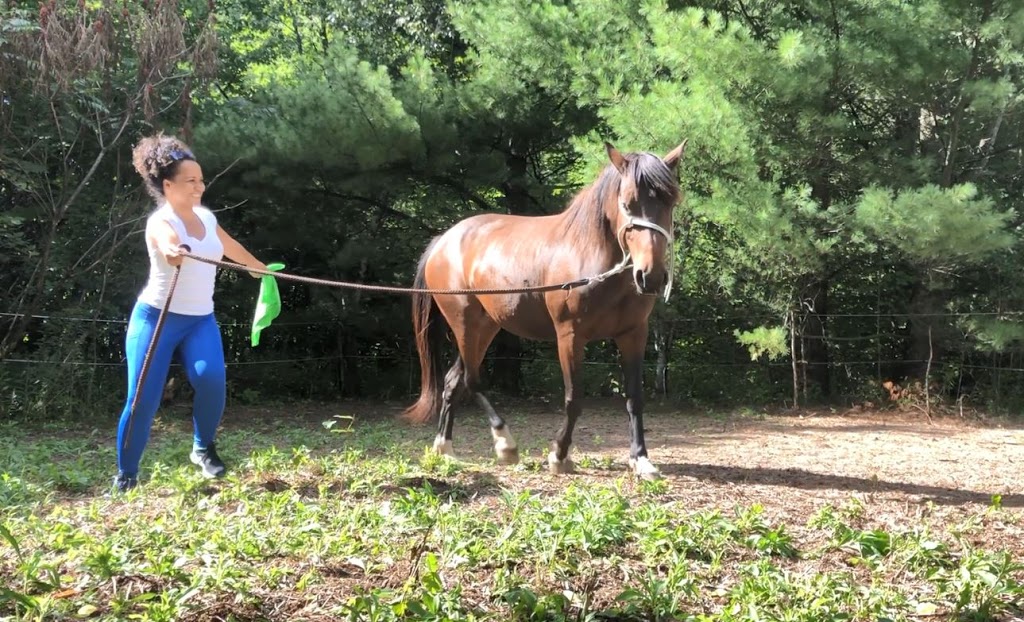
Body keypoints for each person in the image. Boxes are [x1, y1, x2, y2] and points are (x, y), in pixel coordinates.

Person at [113, 133, 266, 492]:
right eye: (191, 181)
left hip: (200, 319)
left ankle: (202, 447)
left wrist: (261, 267)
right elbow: (166, 244)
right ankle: (127, 474)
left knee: (212, 379)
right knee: (142, 400)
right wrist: (173, 252)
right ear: (168, 185)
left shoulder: (207, 218)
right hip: (156, 319)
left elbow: (232, 248)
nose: (200, 186)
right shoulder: (160, 221)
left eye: (201, 179)